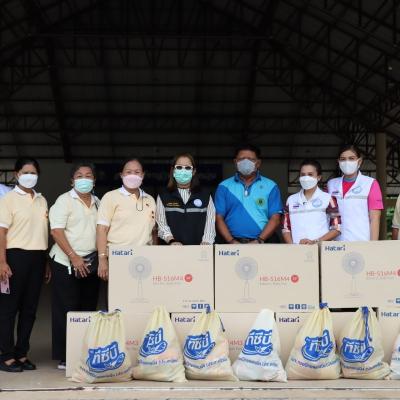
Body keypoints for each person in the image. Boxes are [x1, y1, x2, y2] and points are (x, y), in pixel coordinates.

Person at [0, 158, 50, 373]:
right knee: (8, 309)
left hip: (37, 258)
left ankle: (22, 353)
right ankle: (6, 355)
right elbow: (1, 232)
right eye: (25, 172)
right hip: (14, 257)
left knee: (29, 309)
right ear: (16, 174)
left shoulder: (42, 200)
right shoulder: (8, 200)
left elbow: (42, 233)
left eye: (33, 172)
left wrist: (45, 261)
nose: (30, 176)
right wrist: (2, 261)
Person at [49, 163, 100, 370]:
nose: (84, 179)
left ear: (94, 180)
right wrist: (74, 256)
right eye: (79, 176)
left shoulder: (98, 202)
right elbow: (56, 231)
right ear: (72, 181)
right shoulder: (64, 201)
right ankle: (65, 355)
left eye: (88, 175)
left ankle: (83, 350)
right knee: (67, 309)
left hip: (91, 263)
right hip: (66, 261)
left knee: (88, 308)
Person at [96, 158, 156, 280]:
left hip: (144, 258)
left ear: (143, 175)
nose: (133, 175)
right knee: (117, 292)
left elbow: (154, 231)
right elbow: (101, 229)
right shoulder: (110, 197)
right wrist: (102, 258)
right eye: (128, 172)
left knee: (141, 291)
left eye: (137, 172)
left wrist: (154, 255)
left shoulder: (150, 199)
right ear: (121, 175)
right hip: (117, 257)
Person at [215, 144, 283, 244]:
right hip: (230, 244)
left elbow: (275, 218)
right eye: (241, 159)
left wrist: (259, 240)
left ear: (258, 163)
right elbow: (218, 218)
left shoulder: (271, 186)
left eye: (251, 159)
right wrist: (231, 241)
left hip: (263, 243)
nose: (246, 162)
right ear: (235, 162)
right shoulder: (223, 187)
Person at [156, 153, 215, 245]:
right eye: (179, 167)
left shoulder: (205, 195)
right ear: (173, 170)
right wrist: (171, 241)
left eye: (187, 168)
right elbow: (161, 224)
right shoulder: (163, 195)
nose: (183, 171)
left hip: (200, 250)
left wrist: (206, 242)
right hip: (171, 249)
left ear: (193, 171)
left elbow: (210, 223)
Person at [327, 144, 383, 241]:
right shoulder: (331, 184)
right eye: (343, 159)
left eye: (351, 158)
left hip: (362, 242)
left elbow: (375, 218)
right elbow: (328, 216)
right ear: (338, 162)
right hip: (337, 244)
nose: (347, 162)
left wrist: (373, 245)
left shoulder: (370, 183)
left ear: (359, 161)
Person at [282, 159, 341, 244]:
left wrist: (315, 242)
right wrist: (293, 247)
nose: (306, 178)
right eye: (303, 175)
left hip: (320, 249)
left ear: (319, 177)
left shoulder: (328, 199)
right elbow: (285, 228)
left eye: (310, 174)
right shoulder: (291, 200)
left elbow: (337, 228)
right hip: (296, 249)